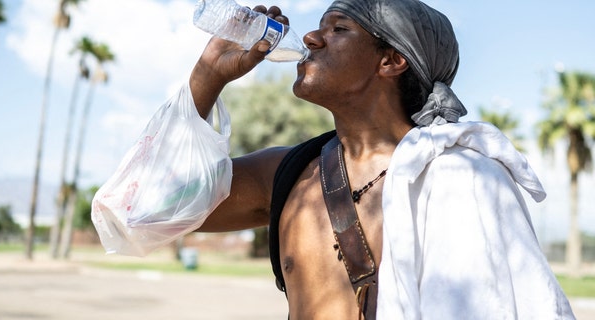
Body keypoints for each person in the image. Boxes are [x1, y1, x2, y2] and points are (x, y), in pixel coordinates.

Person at [189, 0, 575, 319]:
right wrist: (208, 78)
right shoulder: (286, 176)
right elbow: (149, 211)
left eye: (338, 29)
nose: (309, 38)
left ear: (391, 61)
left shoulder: (463, 178)